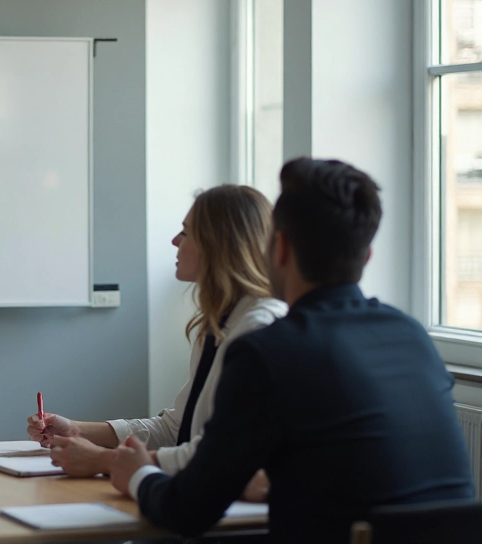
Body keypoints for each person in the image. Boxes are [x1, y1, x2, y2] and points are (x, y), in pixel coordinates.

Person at [109, 158, 475, 543]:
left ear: (279, 249)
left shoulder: (268, 353)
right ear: (365, 257)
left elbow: (187, 511)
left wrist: (137, 472)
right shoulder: (412, 336)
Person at [28, 185, 286, 489]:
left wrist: (102, 460)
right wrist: (76, 431)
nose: (175, 241)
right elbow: (178, 429)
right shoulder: (219, 324)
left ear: (219, 244)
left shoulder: (261, 329)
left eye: (186, 232)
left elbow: (219, 455)